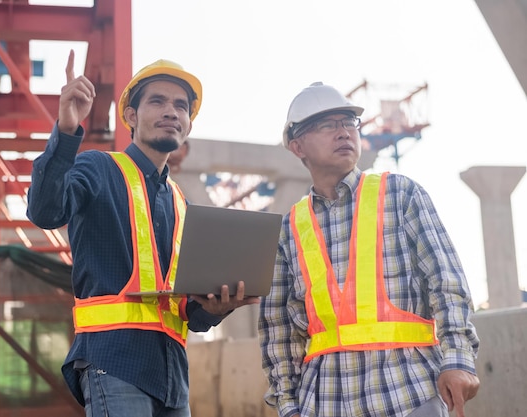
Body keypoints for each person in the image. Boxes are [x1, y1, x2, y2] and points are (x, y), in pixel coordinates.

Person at [26, 50, 259, 417]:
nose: (171, 111)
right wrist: (67, 130)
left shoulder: (181, 204)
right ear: (131, 116)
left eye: (181, 106)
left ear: (188, 124)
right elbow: (45, 211)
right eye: (158, 101)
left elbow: (189, 314)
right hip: (114, 361)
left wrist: (217, 307)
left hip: (171, 377)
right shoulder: (98, 167)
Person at [258, 82, 480, 417]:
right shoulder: (288, 229)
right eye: (327, 125)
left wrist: (458, 359)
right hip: (325, 403)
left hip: (409, 393)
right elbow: (279, 328)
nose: (344, 132)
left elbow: (446, 282)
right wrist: (288, 406)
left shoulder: (400, 194)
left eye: (349, 123)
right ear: (297, 145)